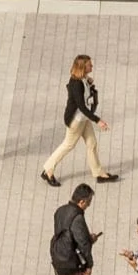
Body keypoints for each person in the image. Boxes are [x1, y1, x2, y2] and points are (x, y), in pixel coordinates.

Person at [42, 53, 109, 184]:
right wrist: (98, 120)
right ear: (83, 67)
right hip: (76, 120)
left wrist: (88, 81)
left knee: (92, 144)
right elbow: (82, 107)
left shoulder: (81, 79)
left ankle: (99, 173)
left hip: (83, 119)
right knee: (68, 145)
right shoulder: (76, 84)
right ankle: (48, 169)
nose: (92, 66)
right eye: (90, 65)